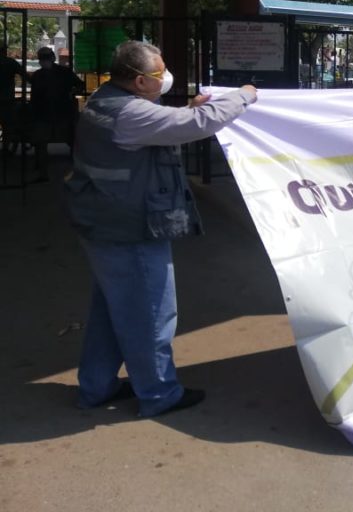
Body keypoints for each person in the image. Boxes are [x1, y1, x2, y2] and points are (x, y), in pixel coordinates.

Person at [65, 40, 258, 417]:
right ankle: (158, 394)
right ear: (139, 81)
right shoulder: (129, 113)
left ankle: (97, 387)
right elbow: (198, 125)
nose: (167, 76)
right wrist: (245, 95)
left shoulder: (105, 100)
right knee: (150, 313)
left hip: (104, 223)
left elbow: (160, 124)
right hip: (129, 228)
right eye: (160, 72)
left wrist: (188, 109)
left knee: (112, 311)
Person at [29, 47, 85, 180]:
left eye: (45, 58)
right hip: (48, 114)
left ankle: (73, 172)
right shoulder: (39, 75)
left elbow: (80, 85)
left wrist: (73, 92)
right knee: (43, 143)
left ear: (52, 58)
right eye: (42, 58)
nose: (44, 61)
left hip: (61, 113)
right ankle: (44, 173)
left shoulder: (63, 72)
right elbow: (34, 97)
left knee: (70, 141)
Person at [0, 45, 25, 153]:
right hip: (7, 99)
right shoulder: (10, 62)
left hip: (7, 98)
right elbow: (24, 74)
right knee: (7, 125)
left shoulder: (10, 63)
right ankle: (5, 148)